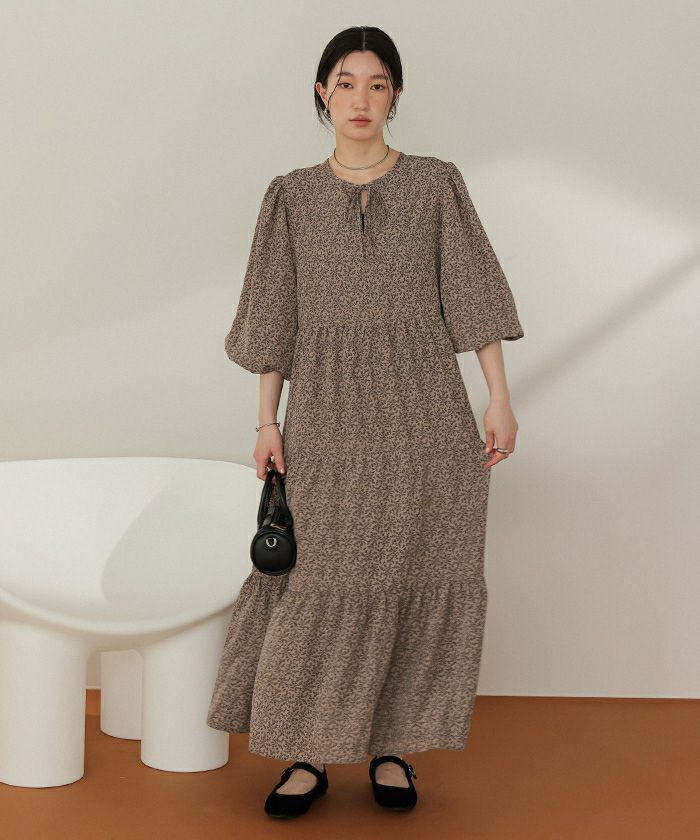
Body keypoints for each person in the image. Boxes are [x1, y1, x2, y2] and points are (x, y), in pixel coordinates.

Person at [207, 25, 525, 819]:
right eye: (345, 83)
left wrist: (498, 398)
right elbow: (274, 316)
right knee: (319, 581)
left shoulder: (436, 184)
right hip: (328, 417)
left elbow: (473, 294)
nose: (361, 99)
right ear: (322, 92)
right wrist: (266, 422)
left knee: (413, 573)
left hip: (426, 417)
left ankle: (393, 748)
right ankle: (307, 755)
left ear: (396, 95)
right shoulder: (290, 196)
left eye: (377, 84)